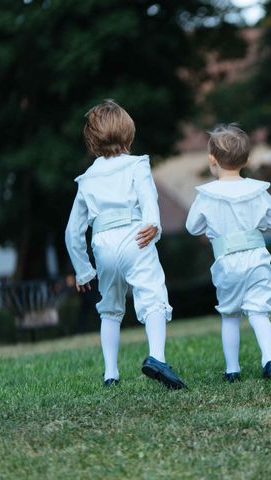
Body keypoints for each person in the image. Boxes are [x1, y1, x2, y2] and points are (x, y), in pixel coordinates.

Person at [65, 99, 186, 389]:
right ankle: (156, 357)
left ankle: (110, 374)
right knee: (152, 295)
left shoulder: (87, 178)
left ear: (91, 141)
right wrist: (152, 227)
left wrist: (83, 271)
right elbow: (148, 199)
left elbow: (72, 231)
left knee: (110, 307)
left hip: (103, 244)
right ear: (128, 134)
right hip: (135, 236)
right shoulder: (137, 164)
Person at [186, 124, 271, 383]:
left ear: (212, 160)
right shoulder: (257, 190)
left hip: (227, 262)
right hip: (257, 258)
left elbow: (192, 226)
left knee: (230, 315)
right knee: (259, 312)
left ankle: (232, 370)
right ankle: (269, 359)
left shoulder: (207, 195)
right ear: (247, 160)